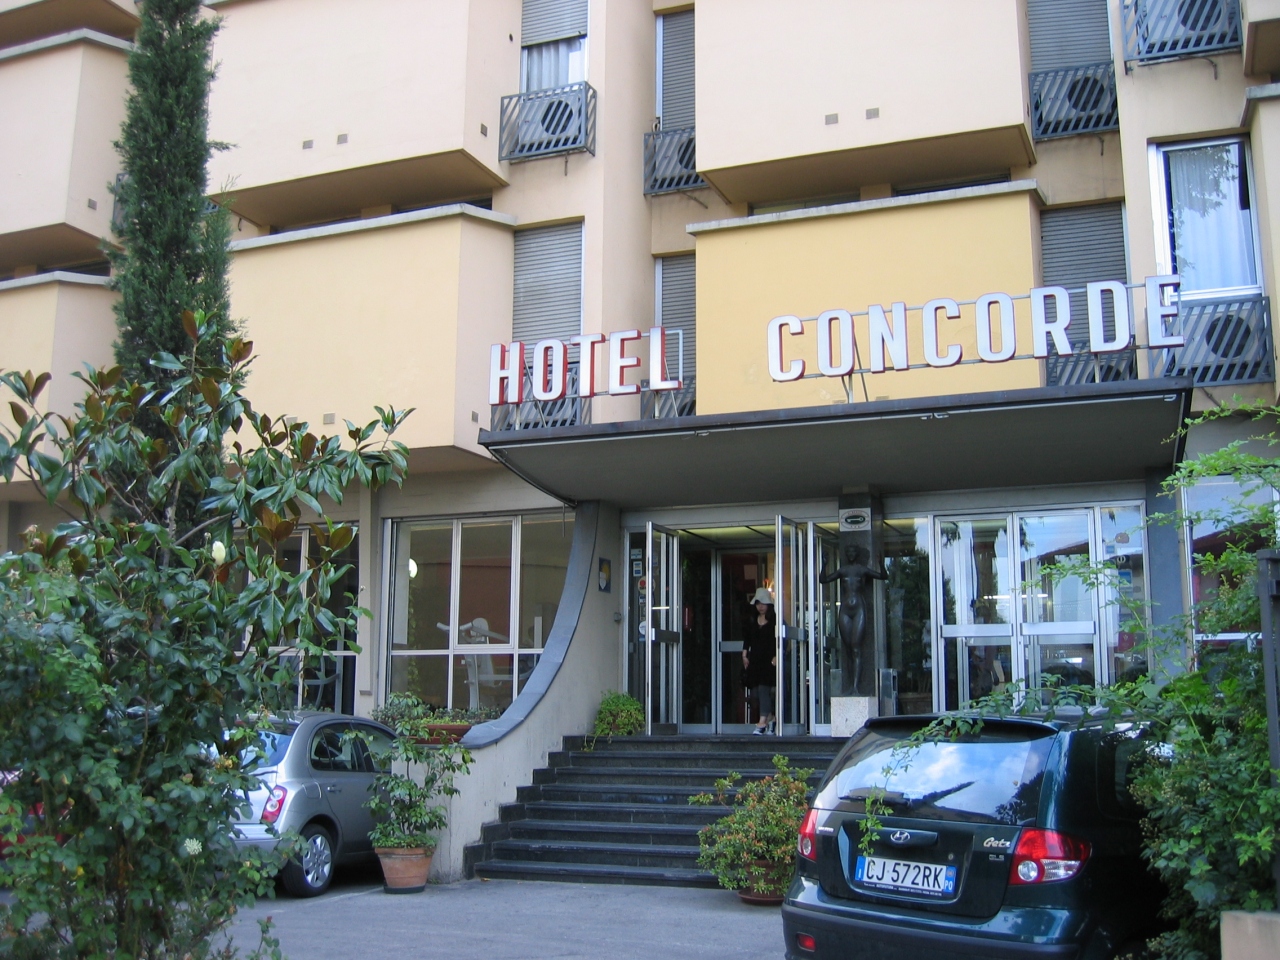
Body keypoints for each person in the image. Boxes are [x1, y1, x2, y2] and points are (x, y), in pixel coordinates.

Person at [742, 587, 778, 735]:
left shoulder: (775, 620)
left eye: (763, 603)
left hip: (769, 661)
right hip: (755, 660)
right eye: (758, 603)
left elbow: (781, 639)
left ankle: (762, 722)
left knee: (764, 688)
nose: (761, 606)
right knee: (755, 692)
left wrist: (777, 655)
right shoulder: (752, 621)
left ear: (769, 604)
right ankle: (771, 718)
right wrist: (744, 654)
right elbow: (747, 638)